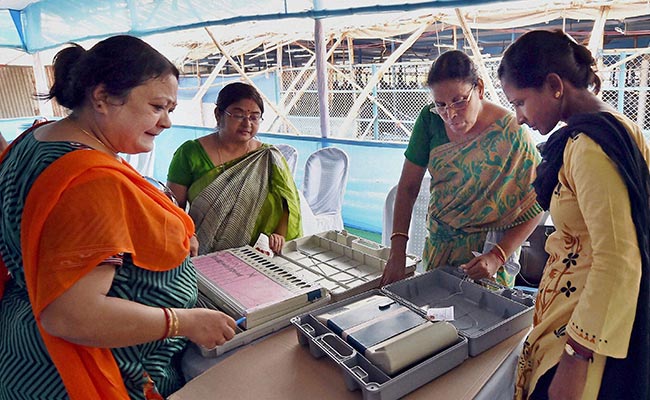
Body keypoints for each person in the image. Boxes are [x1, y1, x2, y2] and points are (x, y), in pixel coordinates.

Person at [0, 35, 237, 400]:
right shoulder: (89, 181)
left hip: (24, 347)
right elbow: (70, 316)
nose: (167, 123)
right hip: (84, 365)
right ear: (103, 98)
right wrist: (184, 321)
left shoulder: (37, 139)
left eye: (171, 109)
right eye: (158, 106)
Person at [498, 29, 650, 400]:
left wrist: (576, 356)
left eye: (520, 102)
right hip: (581, 318)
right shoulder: (622, 128)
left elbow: (617, 257)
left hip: (583, 337)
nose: (518, 118)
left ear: (554, 85)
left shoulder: (590, 147)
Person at [380, 50, 543, 288]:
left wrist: (498, 256)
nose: (451, 114)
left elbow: (536, 203)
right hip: (440, 249)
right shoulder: (429, 120)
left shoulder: (511, 133)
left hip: (487, 260)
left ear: (479, 88)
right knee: (435, 318)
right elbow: (408, 187)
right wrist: (397, 252)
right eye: (441, 105)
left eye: (459, 101)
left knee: (483, 319)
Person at [167, 82, 301, 256]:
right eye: (238, 115)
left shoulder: (269, 158)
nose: (247, 123)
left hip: (256, 254)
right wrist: (187, 236)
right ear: (218, 114)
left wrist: (279, 235)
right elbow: (173, 207)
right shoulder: (190, 153)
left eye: (254, 117)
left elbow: (287, 205)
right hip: (200, 251)